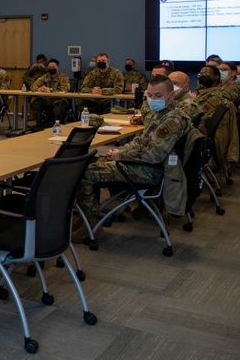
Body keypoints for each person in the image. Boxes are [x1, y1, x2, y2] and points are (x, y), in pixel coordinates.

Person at [74, 75, 191, 242]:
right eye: (149, 95)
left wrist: (119, 155)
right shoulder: (161, 113)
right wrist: (121, 150)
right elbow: (141, 142)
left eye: (158, 96)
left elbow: (153, 155)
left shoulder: (174, 119)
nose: (152, 99)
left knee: (84, 172)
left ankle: (91, 226)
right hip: (142, 164)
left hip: (151, 171)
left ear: (171, 96)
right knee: (87, 162)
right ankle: (85, 218)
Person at [29, 58, 69, 129]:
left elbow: (65, 89)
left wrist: (50, 90)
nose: (51, 69)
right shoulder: (45, 77)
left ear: (57, 68)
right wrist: (39, 89)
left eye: (53, 67)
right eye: (50, 67)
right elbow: (33, 86)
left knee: (58, 105)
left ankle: (58, 125)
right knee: (36, 103)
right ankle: (39, 124)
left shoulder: (63, 77)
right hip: (47, 100)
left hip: (59, 100)